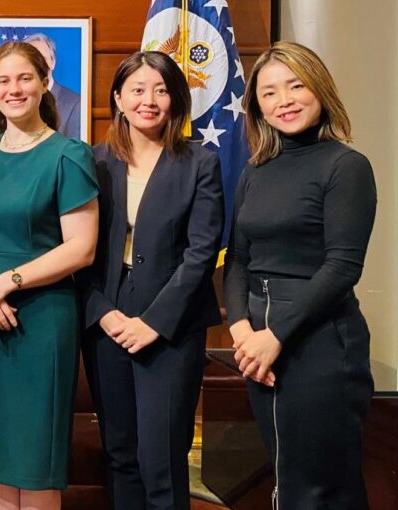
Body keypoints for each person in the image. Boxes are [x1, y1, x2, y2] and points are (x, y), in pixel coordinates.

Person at [224, 41, 376, 509]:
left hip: (319, 342)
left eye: (295, 86)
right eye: (269, 93)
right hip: (257, 344)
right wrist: (242, 330)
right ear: (257, 106)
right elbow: (238, 260)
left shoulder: (346, 166)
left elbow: (342, 267)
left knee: (322, 488)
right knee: (285, 479)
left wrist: (275, 337)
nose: (283, 100)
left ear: (319, 89)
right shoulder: (256, 170)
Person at [0, 41, 99, 510]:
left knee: (34, 459)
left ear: (44, 83)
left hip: (41, 319)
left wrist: (5, 282)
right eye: (3, 80)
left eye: (24, 78)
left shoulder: (68, 155)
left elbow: (82, 247)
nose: (14, 89)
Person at [81, 51, 224, 510]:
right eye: (138, 90)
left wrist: (154, 323)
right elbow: (76, 248)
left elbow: (201, 253)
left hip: (172, 323)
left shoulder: (200, 162)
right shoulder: (92, 161)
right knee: (120, 454)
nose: (149, 100)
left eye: (161, 90)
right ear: (118, 99)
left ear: (175, 99)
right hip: (107, 317)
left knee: (161, 459)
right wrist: (102, 313)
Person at [24, 32, 81, 139]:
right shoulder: (16, 100)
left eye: (42, 59)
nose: (38, 65)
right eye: (32, 60)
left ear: (53, 62)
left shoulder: (75, 104)